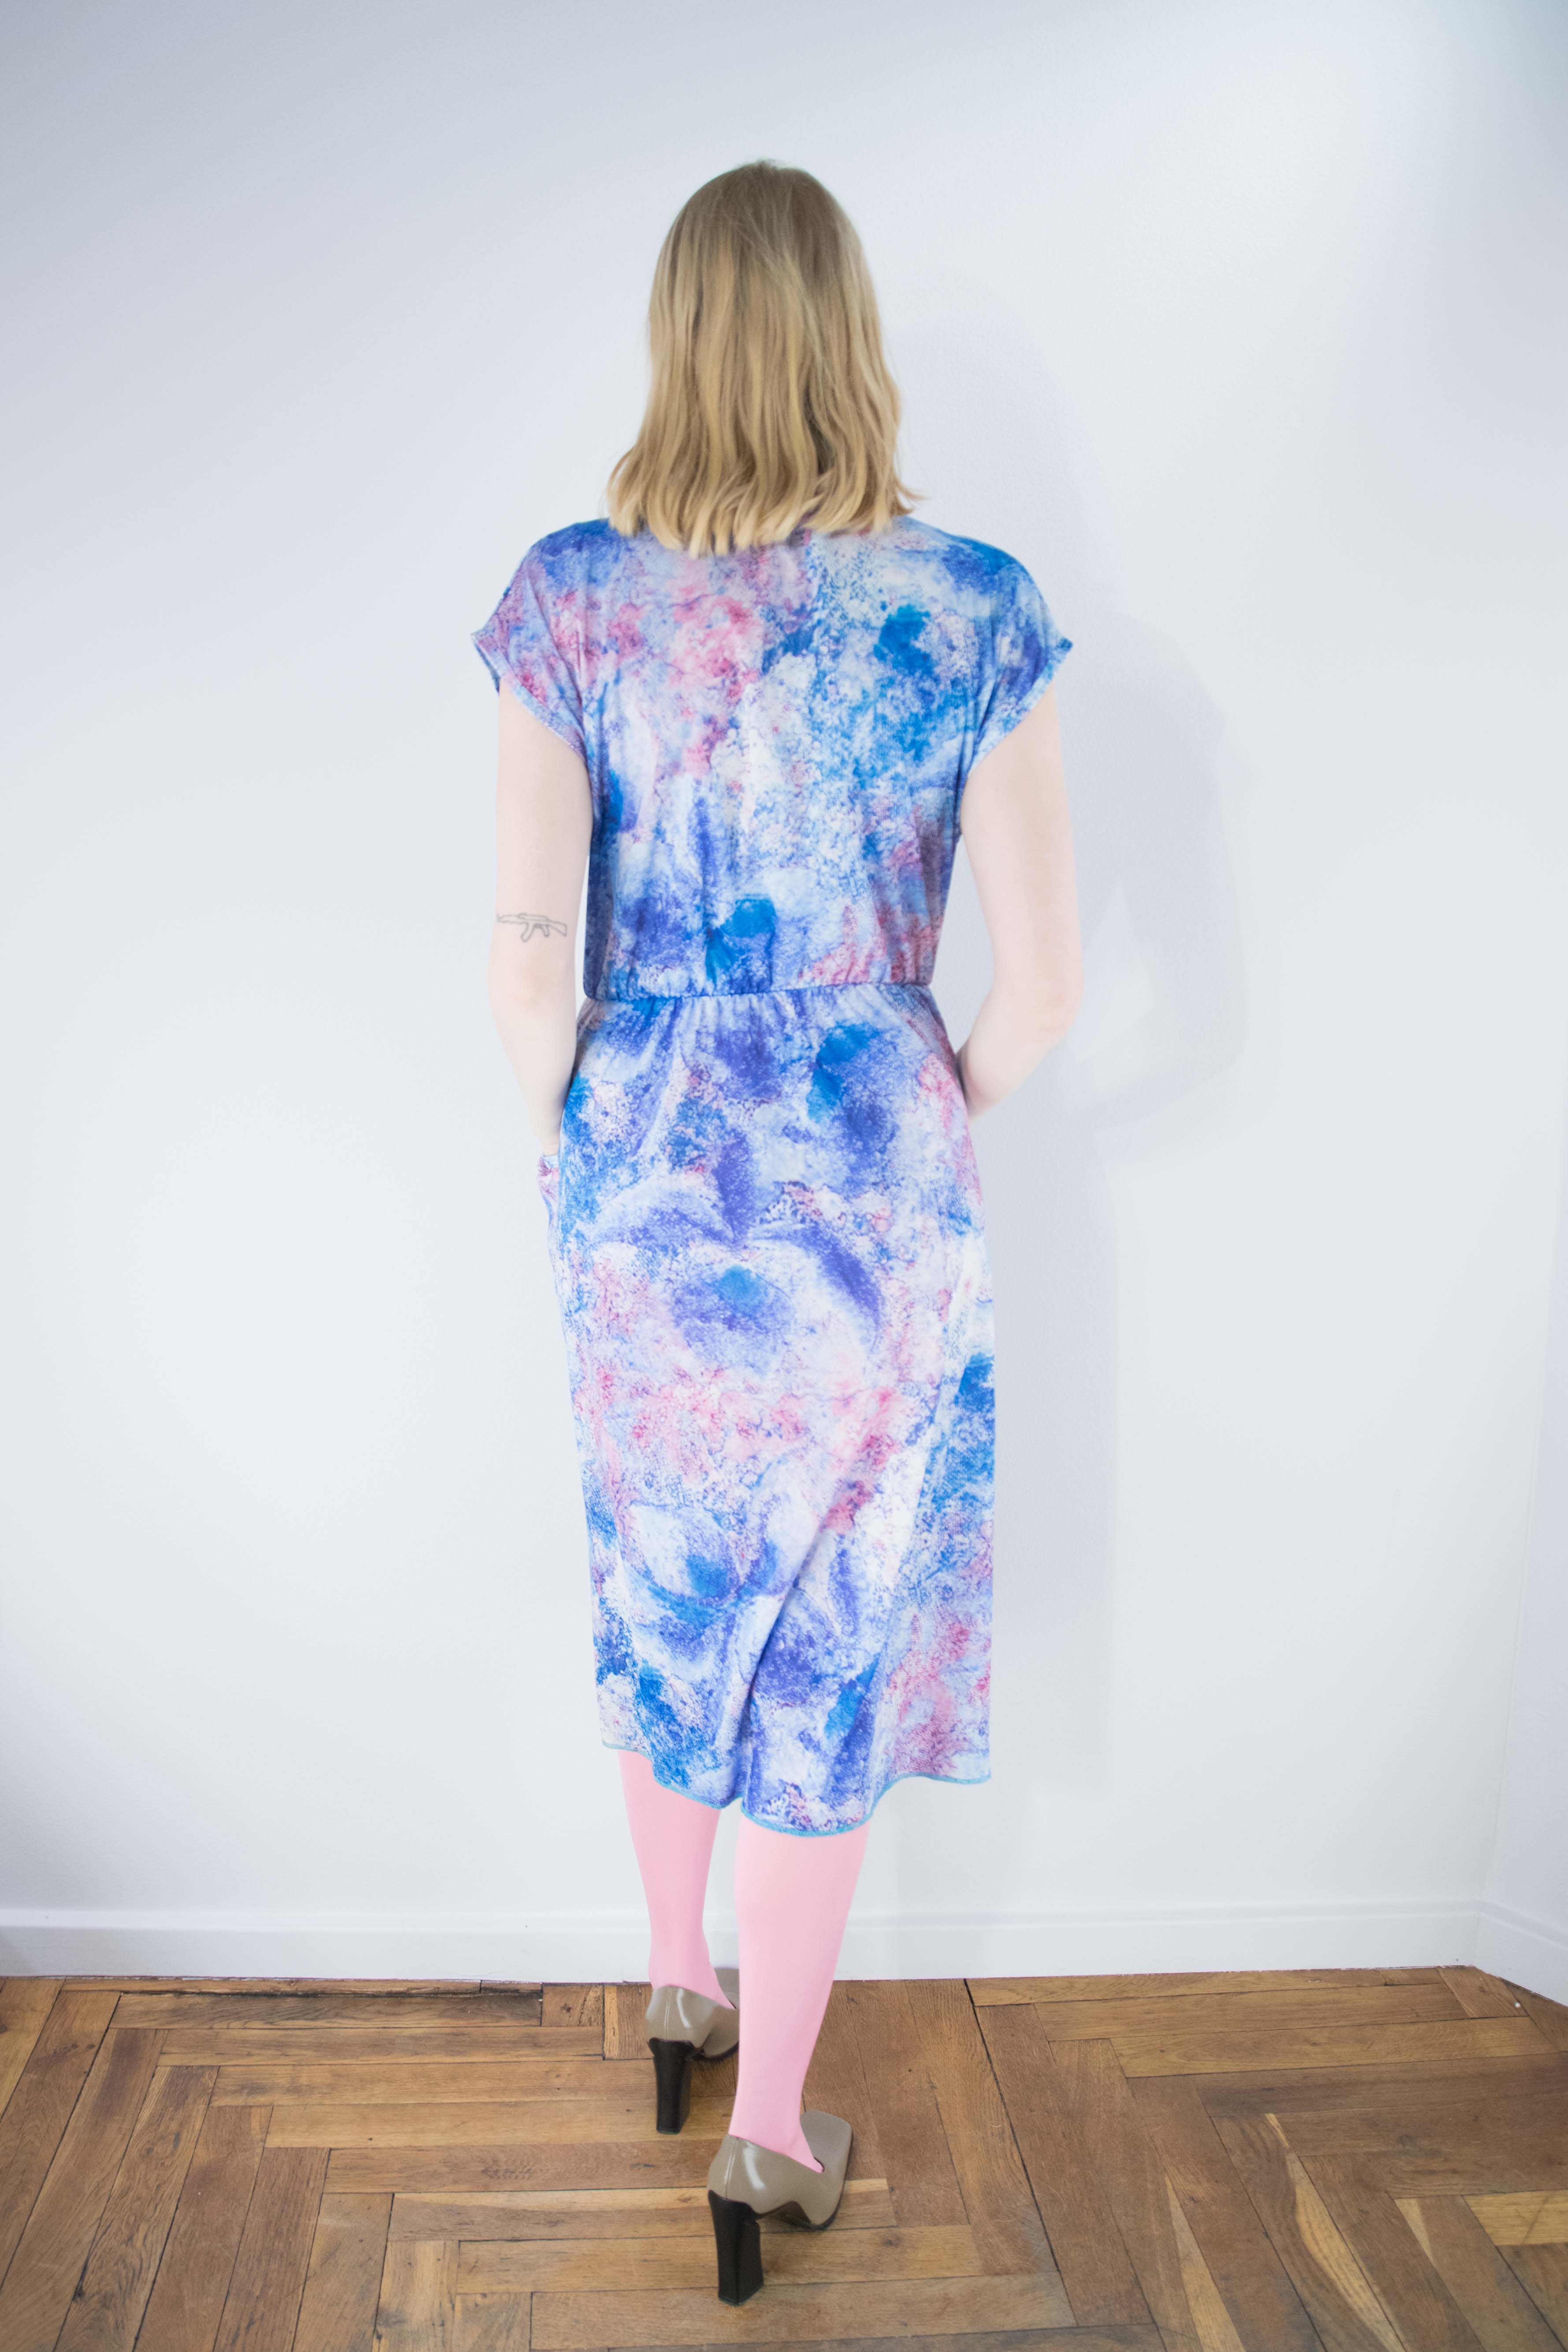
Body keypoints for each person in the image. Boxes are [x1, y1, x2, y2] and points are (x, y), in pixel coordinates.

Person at [472, 159, 1082, 2306]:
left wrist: (581, 1152)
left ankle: (677, 1982)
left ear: (677, 336)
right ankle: (767, 2138)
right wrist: (911, 1122)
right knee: (822, 1639)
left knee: (672, 1593)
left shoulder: (571, 599)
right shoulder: (969, 608)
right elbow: (1043, 989)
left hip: (641, 1179)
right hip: (875, 1186)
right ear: (850, 336)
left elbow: (523, 966)